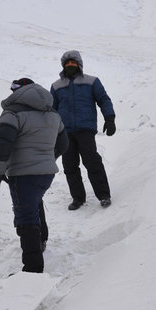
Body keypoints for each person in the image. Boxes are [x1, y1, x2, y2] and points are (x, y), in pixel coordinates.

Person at [0, 78, 68, 273]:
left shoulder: (12, 113)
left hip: (23, 174)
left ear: (20, 92)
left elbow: (2, 142)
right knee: (35, 203)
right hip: (46, 173)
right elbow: (64, 144)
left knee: (26, 218)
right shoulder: (53, 114)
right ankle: (41, 240)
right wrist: (46, 159)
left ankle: (32, 269)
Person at [50, 50, 116, 210]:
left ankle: (104, 195)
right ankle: (78, 198)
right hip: (65, 132)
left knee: (92, 162)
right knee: (70, 166)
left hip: (85, 129)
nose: (70, 65)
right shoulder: (56, 86)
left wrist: (110, 118)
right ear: (63, 65)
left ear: (79, 65)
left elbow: (103, 99)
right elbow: (51, 109)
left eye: (73, 63)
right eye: (67, 63)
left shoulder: (92, 81)